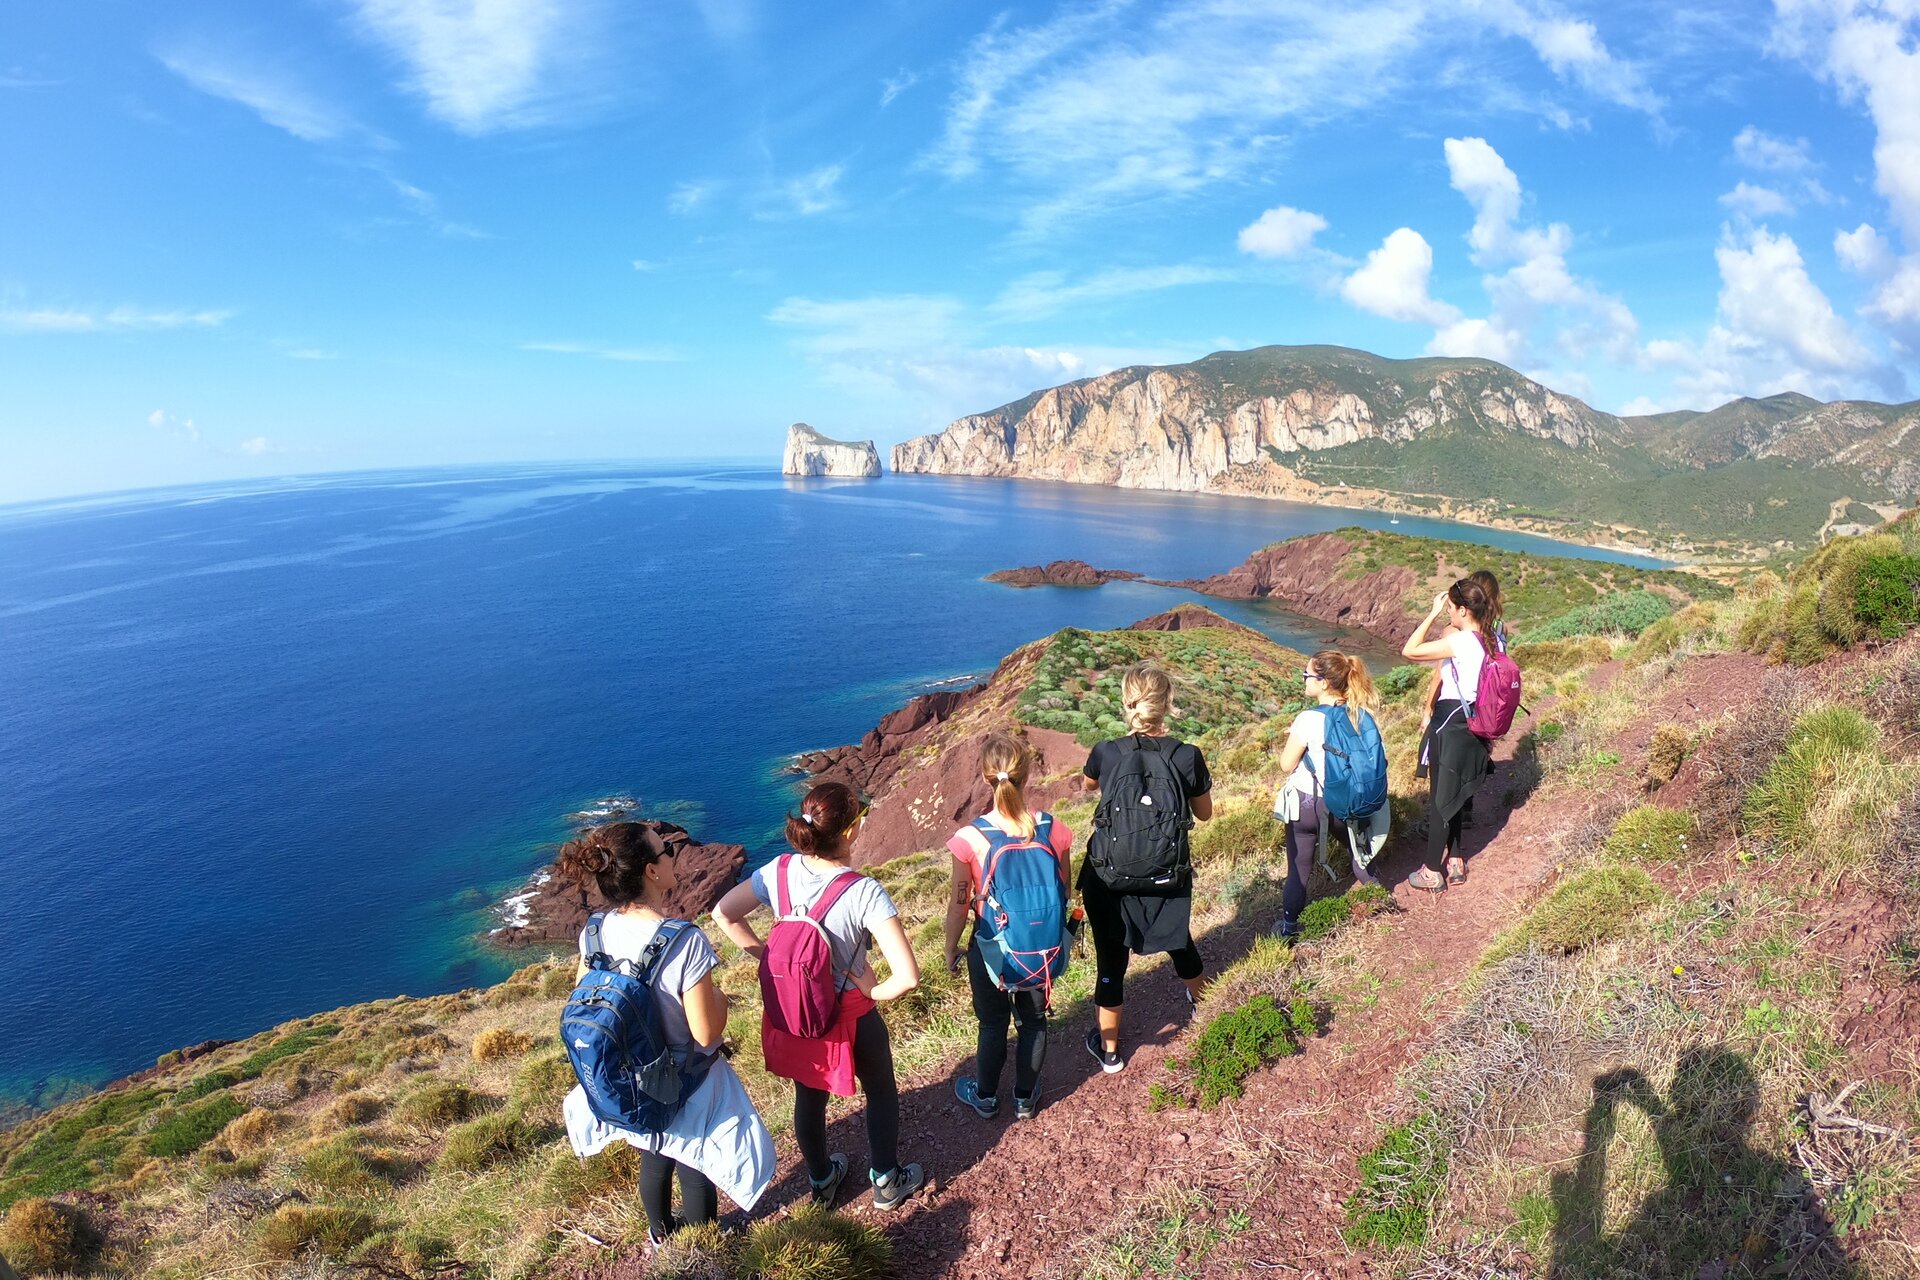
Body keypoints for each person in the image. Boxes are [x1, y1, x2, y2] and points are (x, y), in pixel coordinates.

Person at [710, 782, 926, 1211]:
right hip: (851, 1015)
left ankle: (822, 1179)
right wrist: (872, 989)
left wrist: (770, 958)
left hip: (796, 1011)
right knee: (880, 1091)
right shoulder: (863, 891)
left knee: (808, 1095)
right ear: (849, 831)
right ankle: (887, 1181)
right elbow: (908, 977)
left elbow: (722, 913)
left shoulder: (778, 871)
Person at [556, 823, 775, 1243]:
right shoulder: (684, 941)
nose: (673, 855)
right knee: (695, 1164)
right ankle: (701, 1250)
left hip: (629, 1076)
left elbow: (584, 994)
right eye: (665, 850)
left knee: (654, 1154)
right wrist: (722, 1000)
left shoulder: (594, 931)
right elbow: (706, 1033)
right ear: (651, 872)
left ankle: (660, 1236)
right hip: (685, 1077)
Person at [1079, 663, 1213, 1073]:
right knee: (1178, 940)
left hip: (1108, 875)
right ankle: (1205, 1005)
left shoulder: (1106, 751)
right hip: (1166, 873)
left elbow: (1089, 786)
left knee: (1110, 959)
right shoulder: (1187, 755)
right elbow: (1204, 814)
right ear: (1168, 703)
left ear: (1127, 703)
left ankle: (1110, 1052)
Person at [942, 732, 1075, 1121]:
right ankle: (1025, 1098)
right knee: (1034, 1022)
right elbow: (1064, 889)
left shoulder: (970, 838)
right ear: (1027, 774)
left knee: (993, 1023)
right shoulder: (1052, 827)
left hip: (991, 947)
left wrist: (951, 948)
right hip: (1040, 946)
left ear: (986, 778)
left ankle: (985, 1097)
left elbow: (960, 904)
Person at [1271, 650, 1390, 939]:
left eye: (1307, 675)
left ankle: (1288, 928)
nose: (1304, 679)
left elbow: (1286, 765)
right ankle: (1378, 898)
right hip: (1347, 800)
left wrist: (1298, 738)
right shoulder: (1361, 713)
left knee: (1299, 868)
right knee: (1358, 851)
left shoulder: (1307, 718)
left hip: (1307, 804)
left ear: (1323, 682)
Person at [1401, 577, 1497, 891]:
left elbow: (1410, 650)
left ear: (1463, 610)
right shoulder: (1491, 638)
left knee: (1441, 798)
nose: (1449, 614)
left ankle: (1431, 871)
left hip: (1451, 721)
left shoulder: (1462, 641)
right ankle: (1454, 859)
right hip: (1475, 721)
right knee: (1455, 793)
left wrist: (1431, 613)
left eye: (1452, 609)